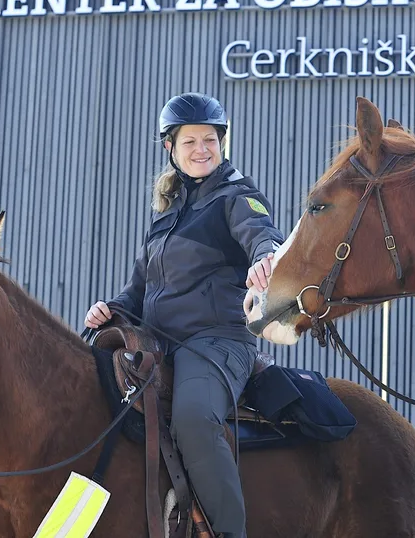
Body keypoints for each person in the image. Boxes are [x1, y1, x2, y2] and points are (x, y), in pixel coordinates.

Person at [85, 92, 284, 538]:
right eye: (190, 140)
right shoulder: (166, 217)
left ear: (222, 143)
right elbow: (136, 291)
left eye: (210, 139)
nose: (201, 149)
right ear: (170, 149)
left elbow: (262, 234)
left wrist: (266, 258)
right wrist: (109, 310)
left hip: (216, 342)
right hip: (159, 344)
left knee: (193, 419)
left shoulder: (236, 195)